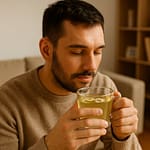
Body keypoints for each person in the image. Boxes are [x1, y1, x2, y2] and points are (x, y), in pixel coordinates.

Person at [0, 0, 142, 149]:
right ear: (46, 50)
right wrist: (50, 145)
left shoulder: (102, 87)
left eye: (98, 51)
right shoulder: (7, 103)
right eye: (78, 52)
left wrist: (123, 136)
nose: (92, 66)